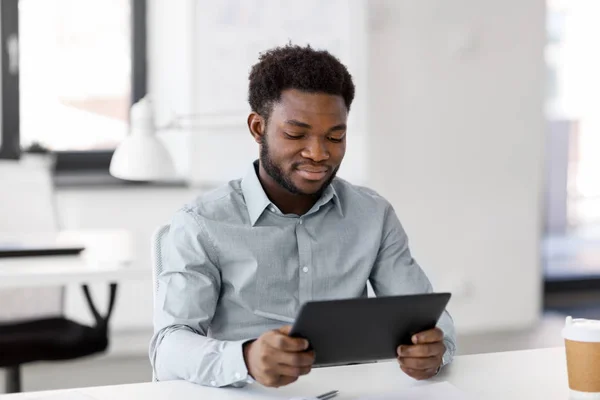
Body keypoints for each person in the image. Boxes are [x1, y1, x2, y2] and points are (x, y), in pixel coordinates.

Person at [150, 44, 456, 389]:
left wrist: (435, 349)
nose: (318, 153)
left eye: (335, 136)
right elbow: (168, 347)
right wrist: (246, 358)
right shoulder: (202, 222)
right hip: (249, 391)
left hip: (354, 392)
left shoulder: (373, 214)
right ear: (257, 128)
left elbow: (430, 319)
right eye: (296, 135)